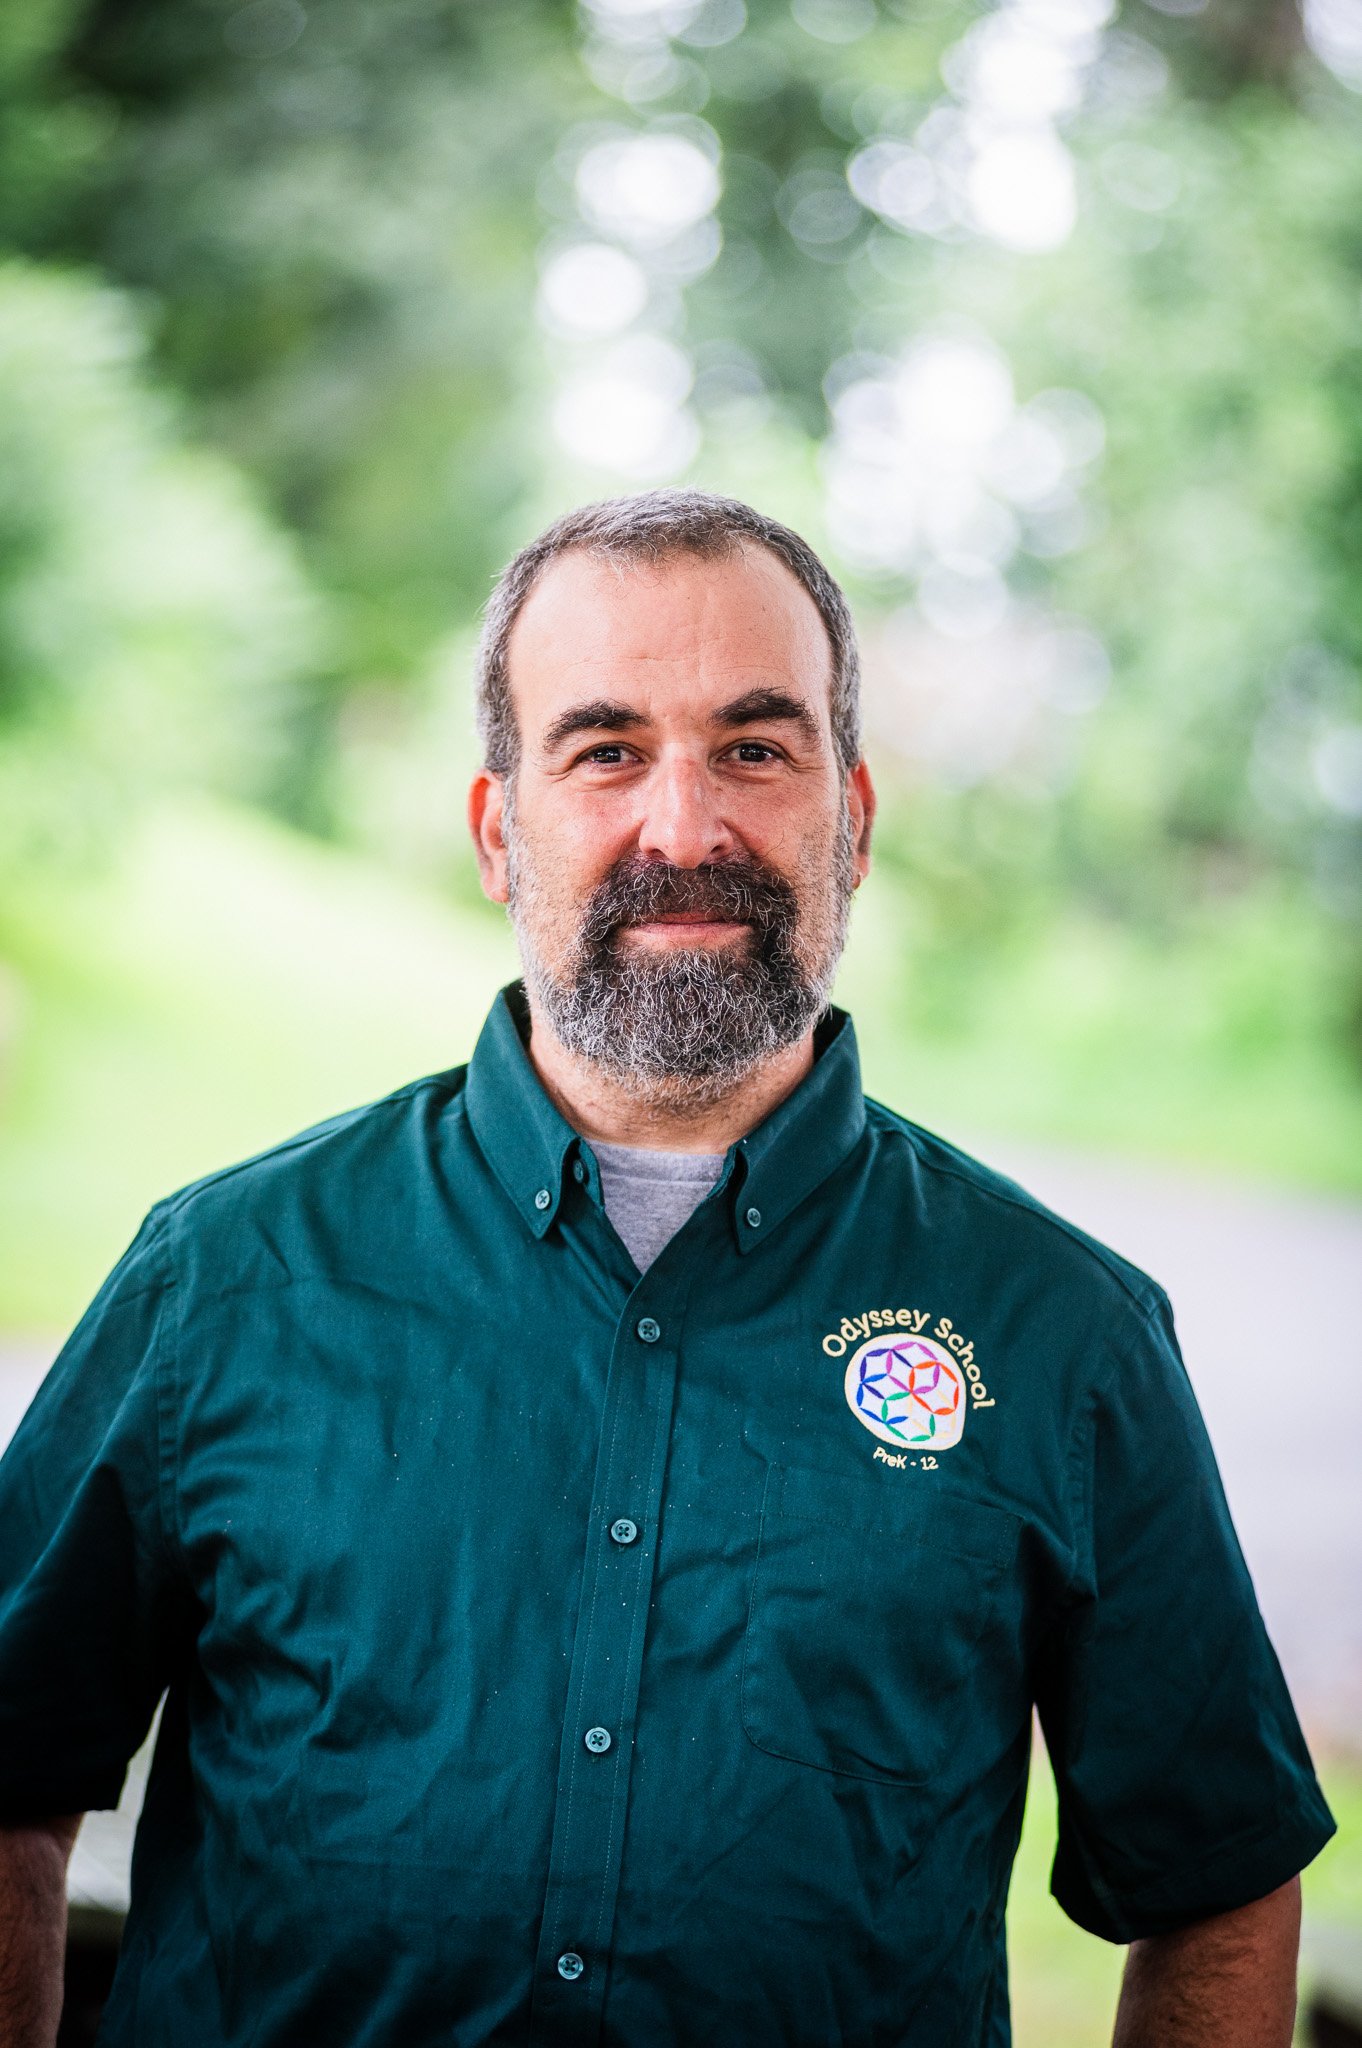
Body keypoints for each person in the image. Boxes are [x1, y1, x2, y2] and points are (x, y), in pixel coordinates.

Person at [0, 490, 1334, 2048]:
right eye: (606, 749)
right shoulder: (220, 1282)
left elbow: (1218, 1884)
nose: (685, 829)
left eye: (755, 750)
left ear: (852, 818)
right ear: (503, 830)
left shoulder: (1063, 1332)